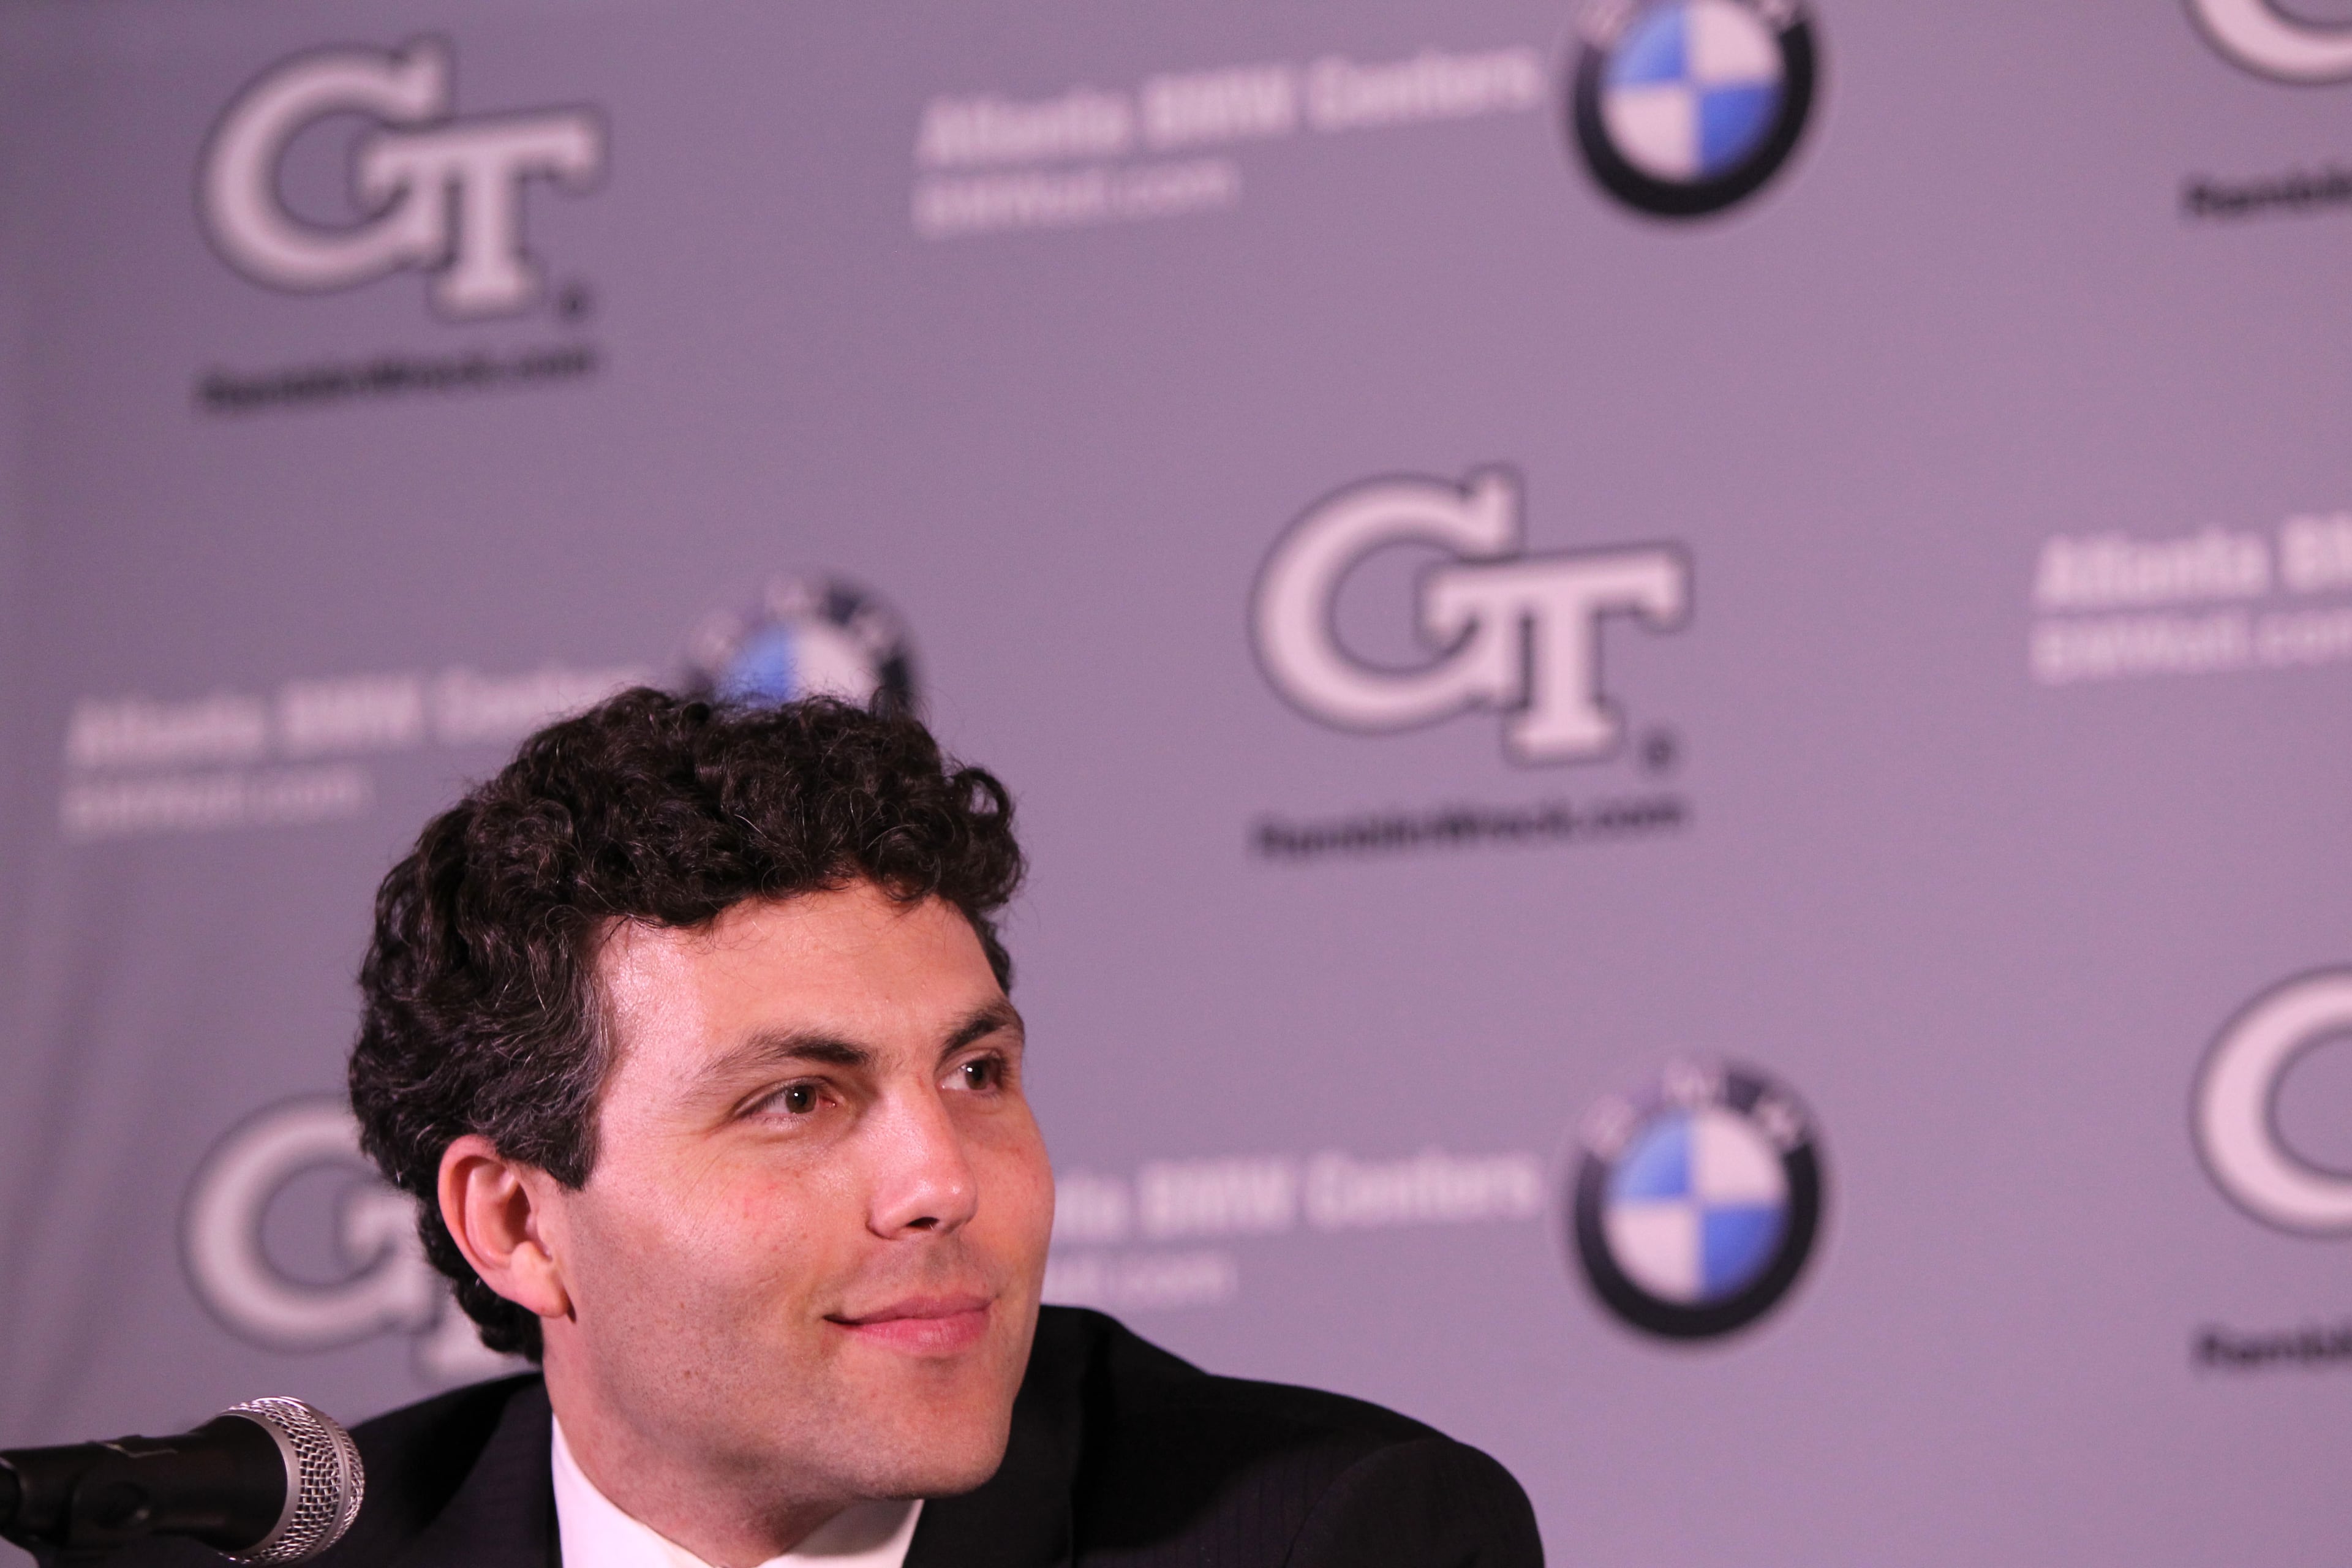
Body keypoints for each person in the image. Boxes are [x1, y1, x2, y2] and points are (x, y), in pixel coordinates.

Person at [220, 692, 1544, 1567]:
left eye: (976, 1070)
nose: (942, 1181)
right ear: (517, 1222)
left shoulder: (1333, 1537)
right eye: (797, 1098)